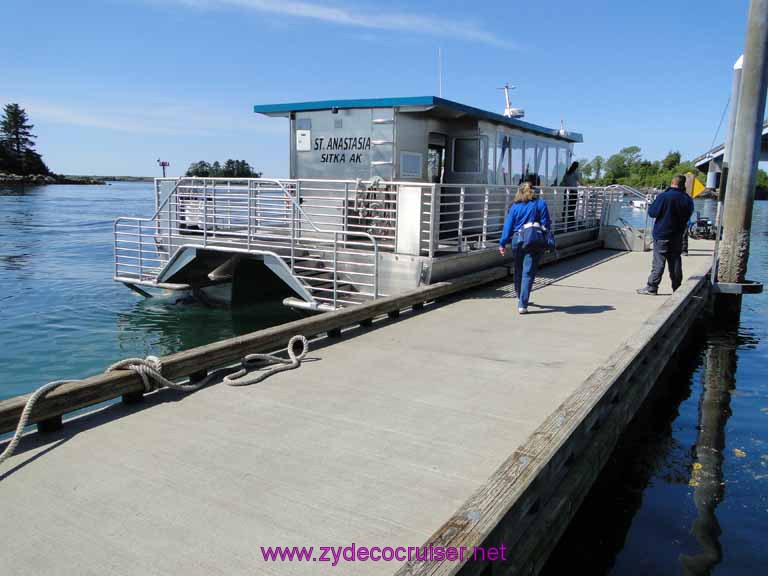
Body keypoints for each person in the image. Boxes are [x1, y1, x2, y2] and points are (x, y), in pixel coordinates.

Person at [499, 182, 552, 314]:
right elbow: (546, 224)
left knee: (518, 268)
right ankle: (522, 304)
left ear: (519, 192)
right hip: (534, 239)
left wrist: (502, 243)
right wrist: (547, 241)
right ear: (533, 191)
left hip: (518, 239)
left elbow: (508, 226)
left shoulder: (515, 207)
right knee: (528, 272)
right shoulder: (540, 204)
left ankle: (519, 294)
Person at [637, 174, 694, 295]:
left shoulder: (663, 196)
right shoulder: (688, 199)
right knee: (675, 262)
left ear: (672, 183)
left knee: (659, 262)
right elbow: (689, 214)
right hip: (677, 235)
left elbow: (652, 213)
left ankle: (652, 287)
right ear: (683, 185)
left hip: (662, 234)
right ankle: (677, 287)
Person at [560, 161, 581, 231]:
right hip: (573, 191)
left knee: (566, 205)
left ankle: (564, 218)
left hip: (566, 191)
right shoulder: (575, 172)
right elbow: (579, 180)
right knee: (572, 206)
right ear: (576, 166)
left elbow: (564, 181)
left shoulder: (567, 173)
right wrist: (587, 186)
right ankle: (570, 219)